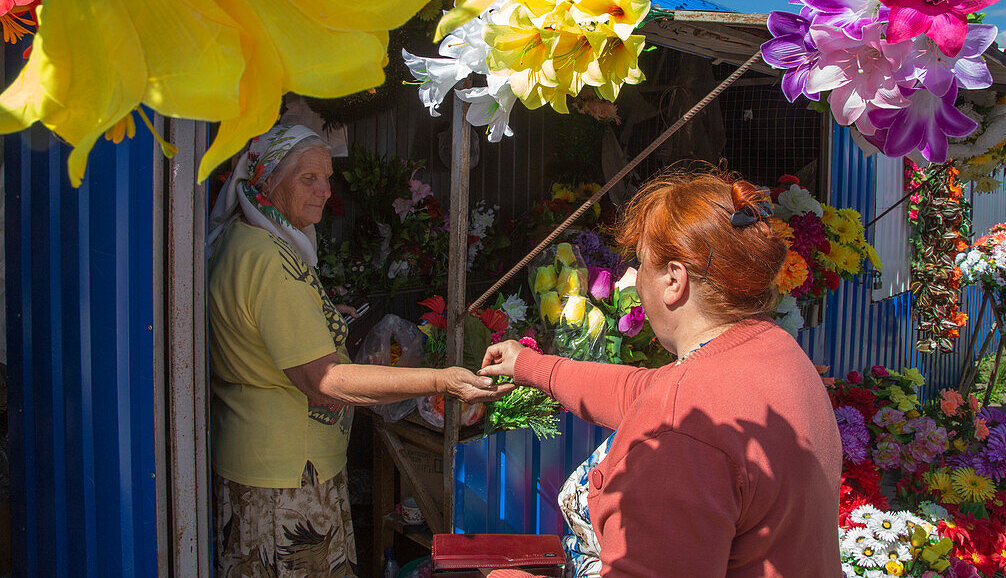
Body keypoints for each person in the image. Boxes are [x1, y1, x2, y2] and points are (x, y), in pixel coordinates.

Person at [480, 171, 843, 578]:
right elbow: (637, 390)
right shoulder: (773, 350)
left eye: (640, 263)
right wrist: (529, 365)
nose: (633, 280)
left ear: (674, 280)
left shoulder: (680, 434)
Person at [207, 124, 509, 577]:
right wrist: (441, 378)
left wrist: (325, 318)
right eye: (308, 177)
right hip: (285, 479)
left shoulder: (250, 241)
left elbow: (266, 330)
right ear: (266, 178)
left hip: (271, 465)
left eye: (327, 178)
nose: (324, 191)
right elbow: (323, 380)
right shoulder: (269, 261)